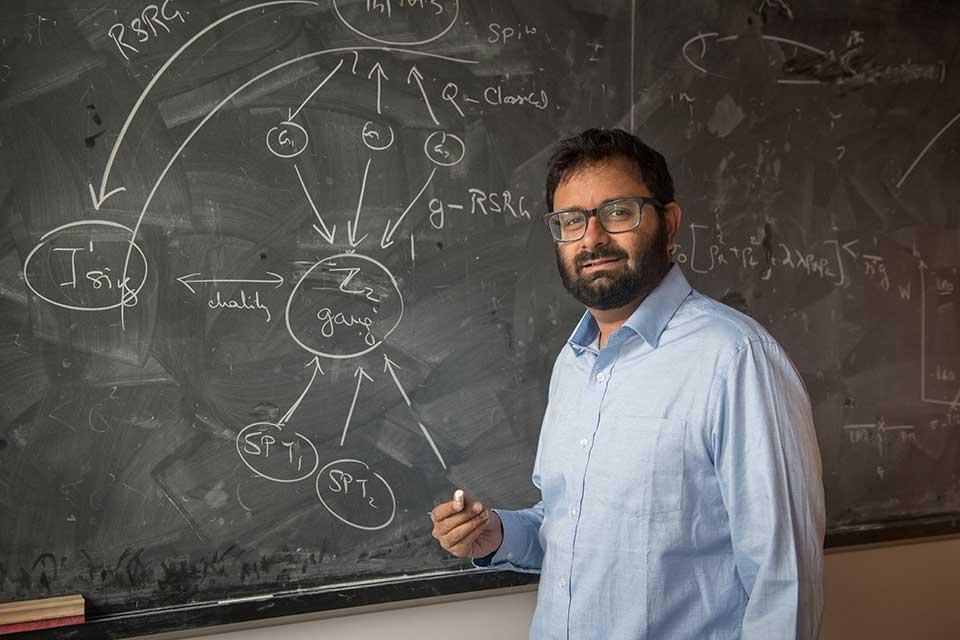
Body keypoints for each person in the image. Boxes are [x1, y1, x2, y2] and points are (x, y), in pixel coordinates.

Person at [430, 128, 825, 639]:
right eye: (571, 221)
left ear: (669, 222)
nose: (591, 239)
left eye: (617, 212)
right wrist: (496, 535)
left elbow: (784, 583)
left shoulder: (735, 359)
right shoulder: (573, 364)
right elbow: (568, 524)